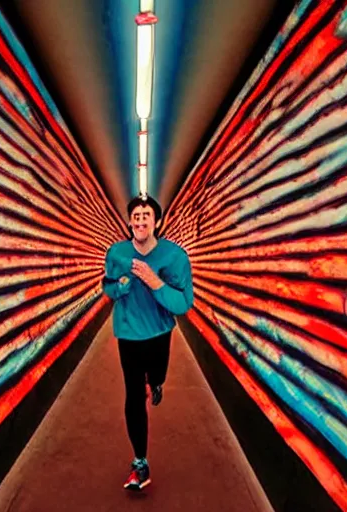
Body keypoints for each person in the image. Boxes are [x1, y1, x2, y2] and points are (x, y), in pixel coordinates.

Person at [102, 194, 194, 491]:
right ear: (130, 222)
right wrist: (121, 287)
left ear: (157, 222)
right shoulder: (116, 253)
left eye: (147, 215)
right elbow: (108, 287)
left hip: (159, 332)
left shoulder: (175, 256)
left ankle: (155, 382)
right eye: (136, 215)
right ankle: (140, 462)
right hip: (128, 333)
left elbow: (182, 304)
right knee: (133, 396)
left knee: (157, 374)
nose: (141, 220)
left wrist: (155, 283)